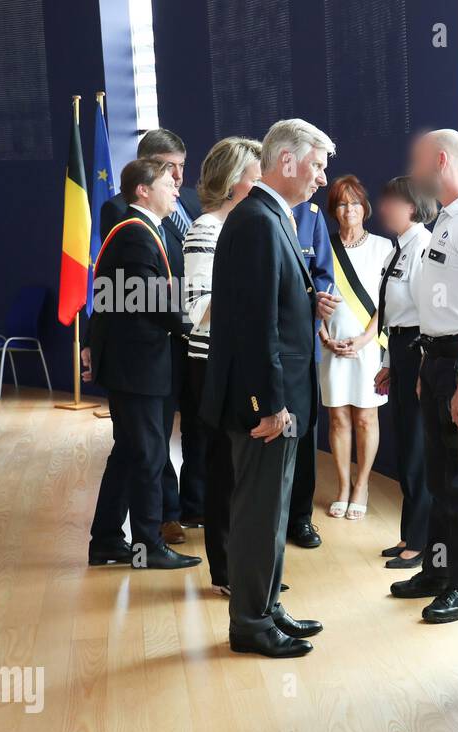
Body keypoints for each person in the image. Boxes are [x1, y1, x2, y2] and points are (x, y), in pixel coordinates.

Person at [201, 118, 339, 659]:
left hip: (279, 398)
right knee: (260, 512)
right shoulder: (258, 221)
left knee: (273, 510)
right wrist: (270, 404)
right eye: (317, 165)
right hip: (265, 405)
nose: (322, 178)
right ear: (287, 162)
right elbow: (255, 326)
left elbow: (278, 308)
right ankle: (251, 624)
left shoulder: (268, 215)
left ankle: (266, 606)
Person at [391, 129, 458, 624]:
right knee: (438, 475)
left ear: (440, 161)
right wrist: (424, 368)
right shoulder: (444, 223)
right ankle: (437, 569)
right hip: (435, 360)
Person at [84, 158, 201, 572]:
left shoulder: (145, 231)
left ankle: (106, 542)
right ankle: (146, 546)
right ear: (143, 191)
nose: (176, 188)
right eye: (167, 182)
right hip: (138, 367)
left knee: (130, 453)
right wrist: (197, 328)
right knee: (149, 454)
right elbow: (156, 301)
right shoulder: (135, 235)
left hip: (137, 364)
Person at [182, 136, 263, 594]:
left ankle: (248, 565)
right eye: (255, 175)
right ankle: (226, 570)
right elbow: (197, 306)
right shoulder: (205, 229)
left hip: (237, 360)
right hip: (211, 363)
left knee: (247, 470)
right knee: (224, 469)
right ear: (235, 182)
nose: (262, 183)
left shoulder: (243, 227)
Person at [318, 175, 392, 521]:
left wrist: (363, 341)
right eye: (342, 203)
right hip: (331, 345)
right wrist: (323, 336)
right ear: (334, 209)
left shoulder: (383, 248)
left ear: (365, 207)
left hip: (368, 345)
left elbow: (390, 303)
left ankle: (361, 485)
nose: (349, 209)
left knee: (365, 416)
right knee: (337, 418)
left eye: (355, 202)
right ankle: (342, 485)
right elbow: (310, 296)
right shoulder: (323, 246)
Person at [372, 176, 436, 570]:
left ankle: (422, 540)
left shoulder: (424, 249)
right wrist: (387, 365)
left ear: (412, 206)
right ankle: (408, 532)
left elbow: (428, 316)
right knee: (404, 447)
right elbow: (392, 314)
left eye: (392, 202)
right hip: (399, 348)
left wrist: (420, 369)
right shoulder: (396, 251)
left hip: (418, 351)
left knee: (417, 451)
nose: (384, 208)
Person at [286, 199, 336, 549]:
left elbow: (323, 276)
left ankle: (300, 518)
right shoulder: (256, 211)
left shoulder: (311, 215)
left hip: (304, 346)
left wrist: (317, 310)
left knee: (304, 434)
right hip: (267, 347)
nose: (320, 178)